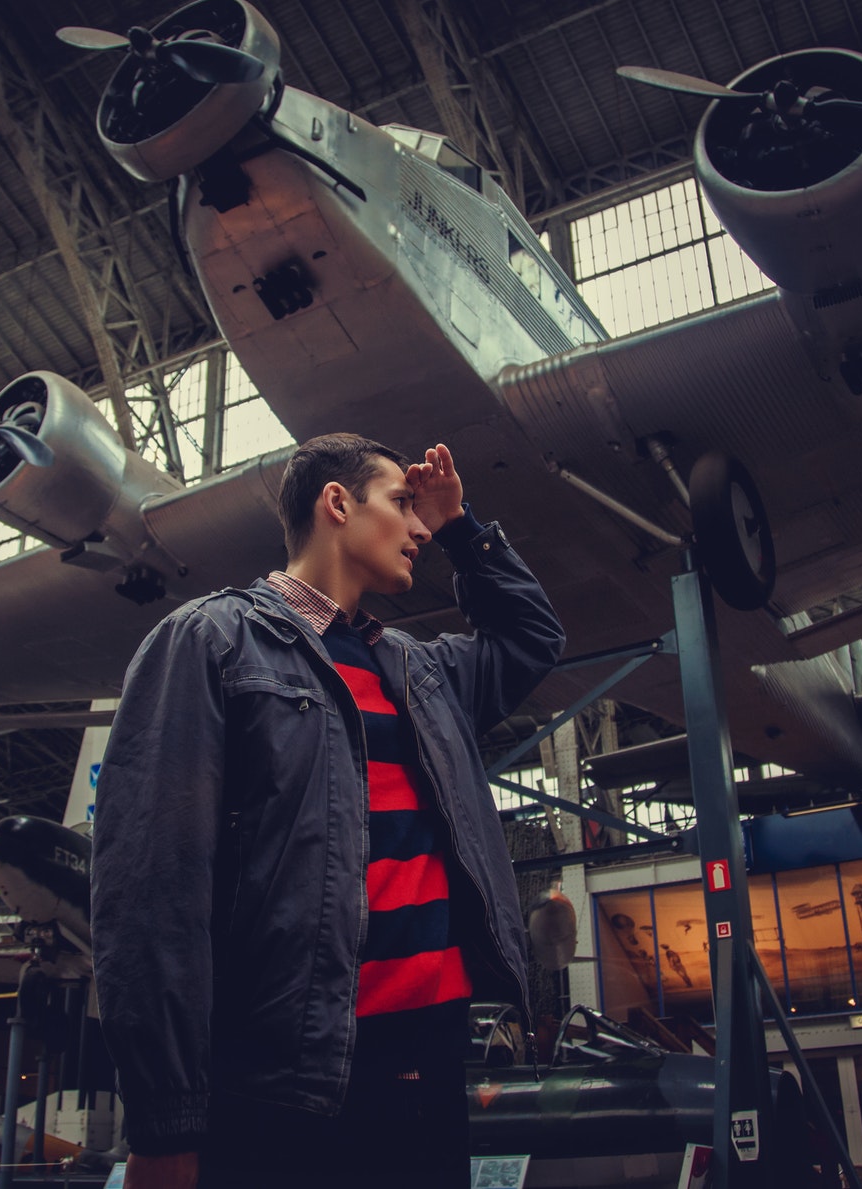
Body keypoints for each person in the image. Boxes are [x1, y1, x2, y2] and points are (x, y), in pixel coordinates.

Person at [91, 435, 565, 1189]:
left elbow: (534, 638)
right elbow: (152, 892)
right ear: (337, 503)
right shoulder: (210, 642)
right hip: (291, 1094)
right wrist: (166, 1120)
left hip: (433, 1077)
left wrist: (460, 527)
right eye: (402, 505)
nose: (418, 528)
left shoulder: (422, 670)